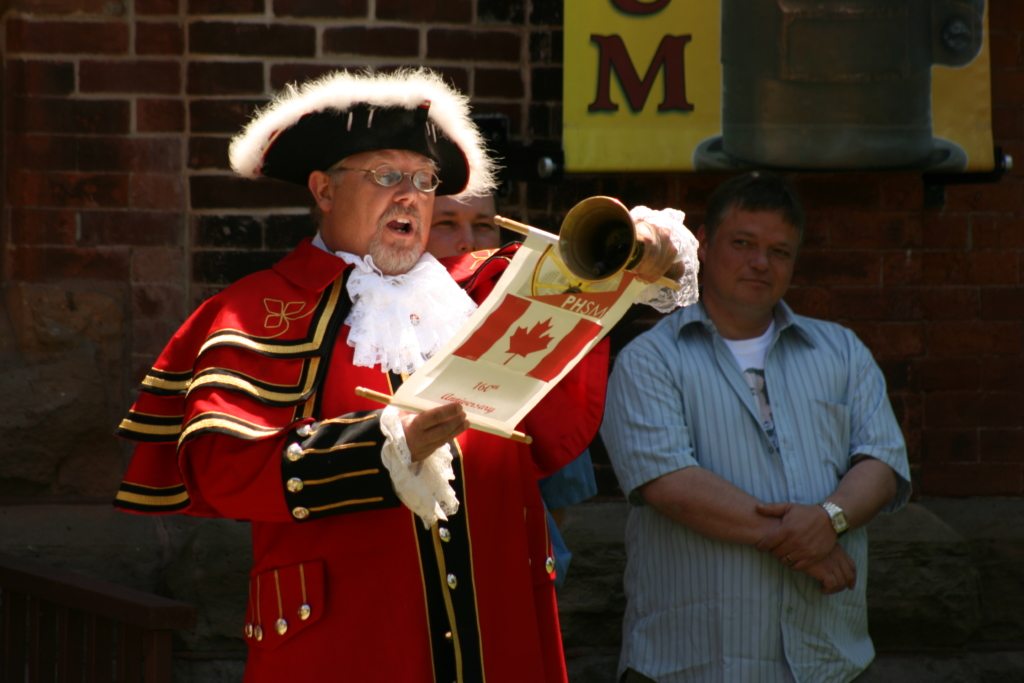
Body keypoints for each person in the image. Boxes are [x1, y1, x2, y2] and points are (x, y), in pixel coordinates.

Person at [112, 68, 634, 683]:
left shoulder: (478, 296)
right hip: (348, 643)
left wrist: (632, 257)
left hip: (497, 633)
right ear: (324, 191)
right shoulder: (256, 311)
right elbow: (226, 471)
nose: (411, 195)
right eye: (387, 176)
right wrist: (378, 453)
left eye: (423, 180)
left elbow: (551, 432)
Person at [600, 171, 911, 683]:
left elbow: (881, 461)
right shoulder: (650, 359)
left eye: (780, 251)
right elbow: (669, 484)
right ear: (704, 244)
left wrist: (828, 520)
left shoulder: (841, 351)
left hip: (826, 662)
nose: (761, 262)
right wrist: (805, 542)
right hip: (692, 664)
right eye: (743, 243)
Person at [426, 193, 601, 590]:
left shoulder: (535, 323)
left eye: (484, 225)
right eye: (446, 224)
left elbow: (559, 503)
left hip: (517, 571)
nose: (467, 241)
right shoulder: (378, 328)